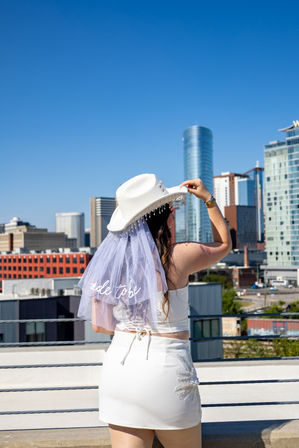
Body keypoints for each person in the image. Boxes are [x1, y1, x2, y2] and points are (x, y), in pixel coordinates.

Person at [77, 173, 232, 448]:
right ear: (166, 216)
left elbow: (100, 326)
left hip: (120, 372)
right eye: (172, 210)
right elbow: (224, 245)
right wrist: (209, 200)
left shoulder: (109, 265)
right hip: (165, 372)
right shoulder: (179, 256)